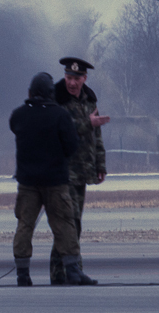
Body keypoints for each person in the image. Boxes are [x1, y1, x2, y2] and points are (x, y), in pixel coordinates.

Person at [9, 71, 97, 286]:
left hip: (27, 182)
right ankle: (73, 271)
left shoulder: (18, 115)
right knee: (65, 225)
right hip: (56, 182)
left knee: (25, 225)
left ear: (30, 92)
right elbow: (71, 146)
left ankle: (22, 274)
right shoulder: (60, 115)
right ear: (50, 93)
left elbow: (15, 129)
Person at [50, 55, 109, 285]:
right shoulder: (57, 100)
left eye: (76, 78)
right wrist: (88, 124)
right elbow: (59, 129)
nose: (71, 82)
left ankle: (60, 273)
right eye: (68, 77)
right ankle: (72, 271)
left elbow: (97, 137)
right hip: (64, 172)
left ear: (84, 78)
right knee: (69, 222)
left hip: (82, 171)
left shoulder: (89, 100)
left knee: (73, 223)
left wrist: (100, 165)